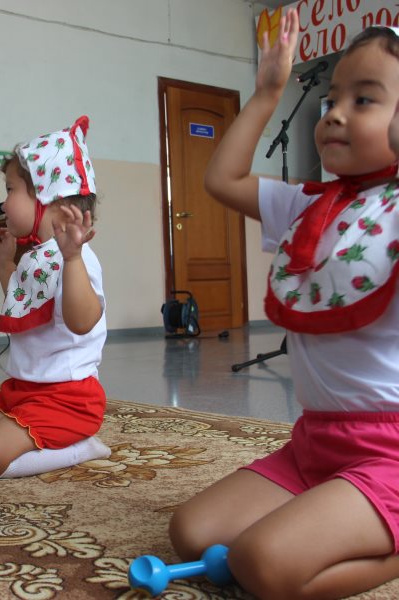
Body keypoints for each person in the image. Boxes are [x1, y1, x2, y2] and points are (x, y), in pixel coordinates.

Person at [168, 14, 399, 598]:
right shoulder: (308, 206)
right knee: (191, 533)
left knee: (261, 566)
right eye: (331, 99)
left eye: (364, 99)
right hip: (318, 440)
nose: (336, 113)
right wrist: (270, 90)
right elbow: (222, 178)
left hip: (391, 451)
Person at [0, 116, 111, 479]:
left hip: (67, 398)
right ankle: (44, 437)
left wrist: (72, 260)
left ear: (46, 196)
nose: (4, 204)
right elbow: (23, 305)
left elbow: (82, 321)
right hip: (22, 389)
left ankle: (83, 446)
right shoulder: (37, 253)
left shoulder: (77, 257)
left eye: (10, 190)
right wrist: (5, 264)